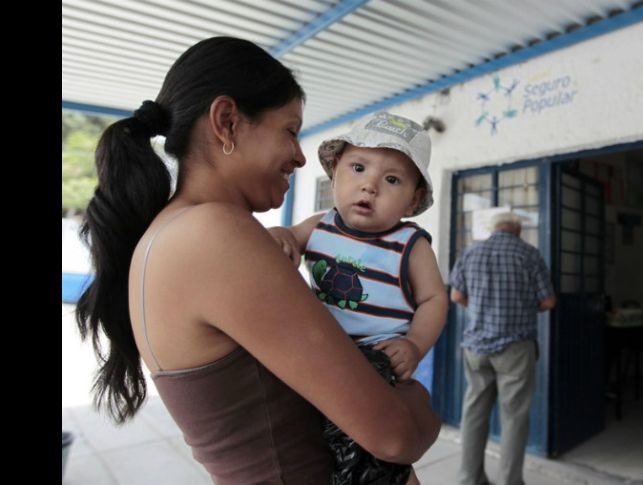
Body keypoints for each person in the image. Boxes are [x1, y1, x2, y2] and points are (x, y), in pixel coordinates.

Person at [74, 37, 440, 485]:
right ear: (227, 122)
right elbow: (394, 435)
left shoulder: (166, 234)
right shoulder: (214, 234)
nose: (301, 156)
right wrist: (420, 400)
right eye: (290, 131)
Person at [269, 111, 448, 485]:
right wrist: (283, 236)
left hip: (376, 366)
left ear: (413, 201)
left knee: (379, 462)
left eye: (392, 179)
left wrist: (414, 344)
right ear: (335, 173)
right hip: (321, 358)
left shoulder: (409, 245)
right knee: (315, 449)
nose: (370, 186)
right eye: (358, 168)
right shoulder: (319, 226)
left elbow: (434, 300)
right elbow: (288, 239)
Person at [449, 212, 556, 485]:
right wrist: (521, 308)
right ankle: (510, 481)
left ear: (494, 229)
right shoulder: (529, 254)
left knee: (473, 414)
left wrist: (482, 310)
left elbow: (456, 295)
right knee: (514, 417)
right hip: (516, 347)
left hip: (476, 346)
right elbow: (549, 302)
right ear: (517, 230)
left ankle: (469, 479)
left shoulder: (471, 252)